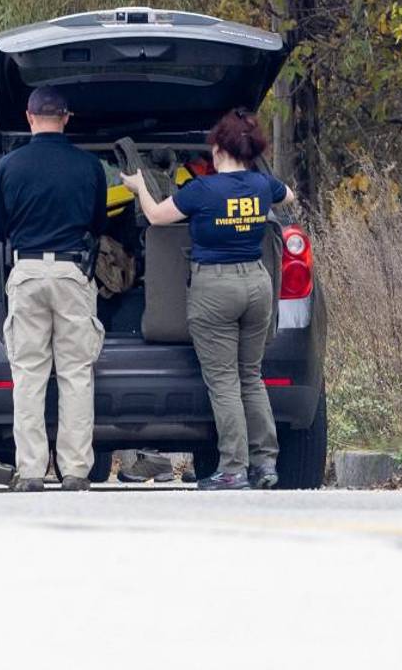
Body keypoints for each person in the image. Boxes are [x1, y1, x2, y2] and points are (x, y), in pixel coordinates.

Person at [120, 108, 295, 491]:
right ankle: (265, 464)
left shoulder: (202, 190)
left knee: (223, 380)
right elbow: (289, 195)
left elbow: (155, 217)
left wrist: (139, 187)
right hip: (256, 284)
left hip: (215, 289)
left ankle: (233, 468)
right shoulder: (262, 185)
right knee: (251, 375)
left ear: (217, 149)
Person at [0, 87, 108, 492]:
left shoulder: (8, 166)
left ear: (29, 117)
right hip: (73, 272)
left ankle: (32, 471)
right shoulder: (89, 167)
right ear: (67, 118)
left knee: (29, 374)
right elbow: (98, 224)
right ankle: (75, 470)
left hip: (26, 272)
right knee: (75, 373)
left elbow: (0, 229)